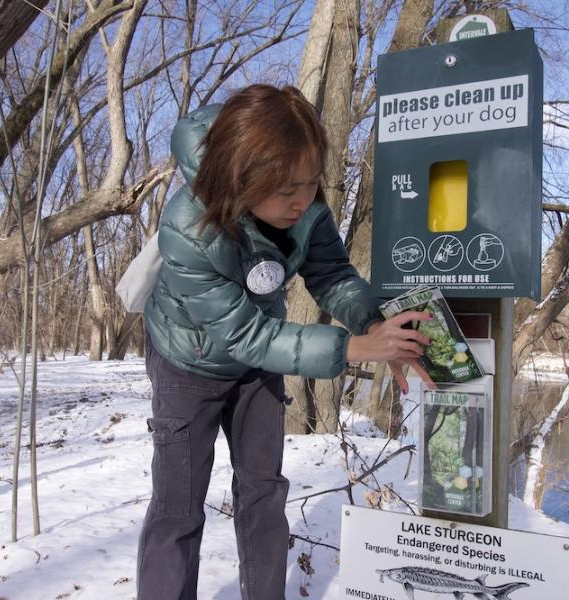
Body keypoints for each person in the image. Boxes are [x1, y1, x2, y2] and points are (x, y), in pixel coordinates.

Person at [137, 84, 433, 600]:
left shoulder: (307, 206)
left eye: (311, 183)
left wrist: (375, 326)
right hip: (189, 363)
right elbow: (239, 334)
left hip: (260, 361)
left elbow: (332, 276)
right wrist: (353, 350)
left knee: (263, 495)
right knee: (177, 507)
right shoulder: (189, 224)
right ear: (239, 176)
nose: (301, 201)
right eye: (284, 189)